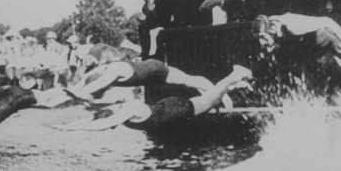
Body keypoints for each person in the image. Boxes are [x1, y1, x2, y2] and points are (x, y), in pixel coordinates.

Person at [53, 65, 251, 132]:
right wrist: (66, 126)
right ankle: (235, 84)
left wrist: (74, 127)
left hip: (175, 109)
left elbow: (100, 125)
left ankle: (234, 76)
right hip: (166, 108)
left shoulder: (127, 110)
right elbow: (93, 120)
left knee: (211, 100)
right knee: (209, 97)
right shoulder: (117, 108)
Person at [262, 13, 341, 89]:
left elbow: (327, 20)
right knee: (317, 73)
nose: (262, 42)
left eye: (263, 37)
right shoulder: (273, 32)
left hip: (323, 36)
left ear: (272, 28)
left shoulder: (292, 25)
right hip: (306, 45)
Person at [67, 58, 231, 107]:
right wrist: (72, 91)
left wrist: (79, 94)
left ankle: (223, 96)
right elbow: (83, 81)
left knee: (190, 81)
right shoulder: (98, 70)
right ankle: (216, 94)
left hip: (154, 69)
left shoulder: (111, 70)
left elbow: (98, 83)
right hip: (149, 72)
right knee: (190, 81)